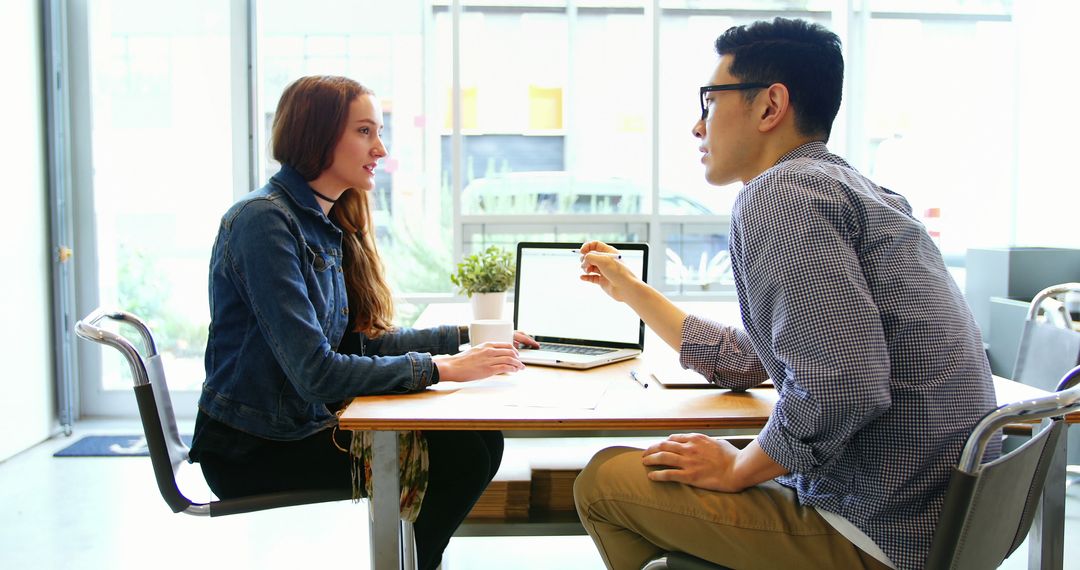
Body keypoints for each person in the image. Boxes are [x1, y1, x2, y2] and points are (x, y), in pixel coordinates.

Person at [572, 18, 998, 570]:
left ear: (770, 106)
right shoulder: (851, 188)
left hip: (878, 529)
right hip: (939, 519)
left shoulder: (781, 197)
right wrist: (632, 291)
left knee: (606, 482)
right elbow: (756, 356)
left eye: (710, 102)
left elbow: (843, 386)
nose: (697, 128)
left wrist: (739, 469)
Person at [188, 75, 537, 570]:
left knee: (480, 438)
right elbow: (318, 374)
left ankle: (414, 561)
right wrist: (442, 368)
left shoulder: (318, 220)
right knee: (462, 453)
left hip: (302, 425)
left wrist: (468, 337)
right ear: (318, 135)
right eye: (365, 132)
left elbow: (358, 342)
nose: (380, 147)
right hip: (258, 448)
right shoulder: (264, 222)